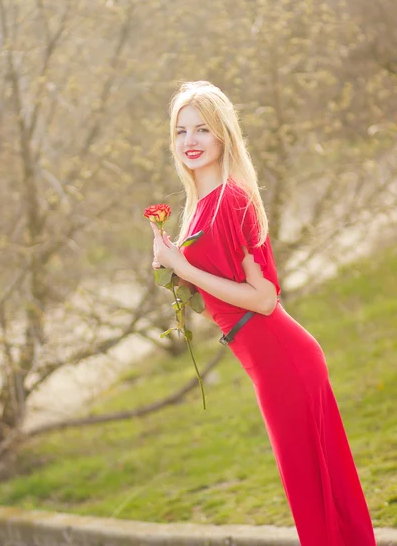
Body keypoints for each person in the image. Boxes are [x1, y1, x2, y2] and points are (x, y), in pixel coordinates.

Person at [150, 80, 377, 546]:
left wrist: (181, 266)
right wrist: (176, 266)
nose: (190, 141)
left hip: (283, 356)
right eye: (181, 131)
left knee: (315, 493)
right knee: (317, 490)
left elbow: (264, 297)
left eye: (202, 130)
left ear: (223, 136)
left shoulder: (231, 200)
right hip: (270, 361)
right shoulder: (200, 208)